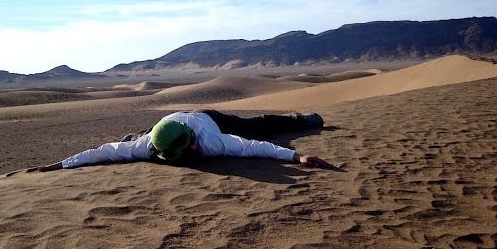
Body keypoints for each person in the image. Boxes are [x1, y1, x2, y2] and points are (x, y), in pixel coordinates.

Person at [27, 109, 343, 172]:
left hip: (207, 118)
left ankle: (303, 119)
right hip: (159, 127)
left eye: (188, 149)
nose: (189, 155)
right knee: (125, 144)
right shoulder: (148, 145)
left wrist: (295, 158)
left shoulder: (212, 141)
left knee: (256, 127)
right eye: (178, 155)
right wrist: (60, 164)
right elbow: (102, 153)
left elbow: (253, 147)